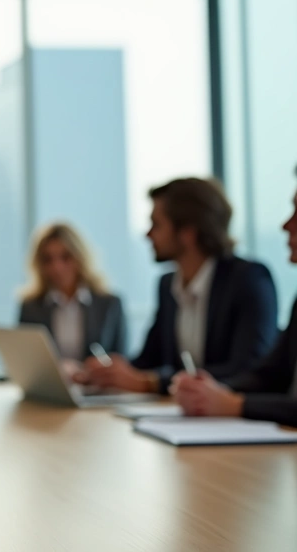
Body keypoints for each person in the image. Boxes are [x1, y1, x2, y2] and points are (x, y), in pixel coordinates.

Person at [83, 178, 278, 394]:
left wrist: (153, 383)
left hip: (234, 419)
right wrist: (110, 371)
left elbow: (247, 369)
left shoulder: (248, 279)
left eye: (156, 225)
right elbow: (149, 359)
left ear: (188, 232)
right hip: (185, 415)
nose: (148, 235)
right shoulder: (168, 285)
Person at [171, 171, 297, 427]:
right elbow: (269, 376)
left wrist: (235, 404)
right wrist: (208, 391)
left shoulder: (249, 278)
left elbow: (248, 364)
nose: (286, 225)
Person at [18, 222, 127, 365]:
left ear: (80, 257)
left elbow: (119, 359)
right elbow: (24, 359)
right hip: (48, 386)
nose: (57, 267)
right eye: (48, 259)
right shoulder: (30, 306)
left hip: (97, 386)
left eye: (66, 257)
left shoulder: (109, 303)